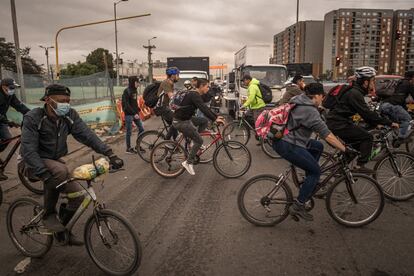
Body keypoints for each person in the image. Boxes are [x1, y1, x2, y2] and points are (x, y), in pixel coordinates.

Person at [19, 84, 124, 245]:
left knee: (78, 197)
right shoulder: (34, 118)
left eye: (68, 101)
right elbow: (28, 150)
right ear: (48, 100)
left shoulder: (68, 115)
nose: (66, 104)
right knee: (60, 170)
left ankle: (61, 232)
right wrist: (43, 173)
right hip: (31, 162)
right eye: (62, 101)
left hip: (53, 161)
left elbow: (87, 135)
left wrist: (110, 153)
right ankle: (48, 214)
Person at [273, 83, 349, 221]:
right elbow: (327, 135)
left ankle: (309, 182)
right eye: (322, 96)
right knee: (316, 171)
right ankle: (298, 205)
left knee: (317, 146)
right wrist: (344, 149)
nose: (323, 99)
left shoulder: (299, 100)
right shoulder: (310, 111)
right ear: (317, 96)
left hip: (286, 139)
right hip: (289, 144)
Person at [326, 66, 399, 174]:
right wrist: (389, 122)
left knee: (354, 149)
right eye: (373, 81)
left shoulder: (354, 91)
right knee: (367, 138)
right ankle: (359, 166)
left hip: (338, 122)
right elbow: (367, 114)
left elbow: (365, 114)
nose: (374, 84)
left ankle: (338, 171)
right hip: (339, 124)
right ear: (365, 82)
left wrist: (376, 124)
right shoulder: (354, 93)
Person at [172, 78, 225, 175]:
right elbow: (203, 108)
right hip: (181, 122)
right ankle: (188, 162)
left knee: (204, 121)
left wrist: (216, 116)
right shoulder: (194, 95)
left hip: (186, 119)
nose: (208, 88)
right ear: (201, 86)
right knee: (199, 140)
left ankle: (193, 142)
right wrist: (215, 119)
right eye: (207, 86)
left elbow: (205, 107)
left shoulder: (195, 94)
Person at [0, 78, 30, 180]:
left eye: (14, 88)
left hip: (2, 120)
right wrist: (7, 122)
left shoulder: (10, 95)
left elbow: (19, 106)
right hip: (2, 119)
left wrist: (31, 114)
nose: (12, 90)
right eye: (11, 88)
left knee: (7, 138)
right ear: (3, 86)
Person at [379, 71, 414, 144]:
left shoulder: (399, 83)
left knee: (395, 122)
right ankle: (401, 138)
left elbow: (400, 98)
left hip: (384, 104)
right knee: (407, 119)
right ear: (412, 77)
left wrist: (406, 109)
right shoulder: (409, 84)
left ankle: (384, 135)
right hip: (392, 106)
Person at [155, 67, 180, 140]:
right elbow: (171, 96)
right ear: (173, 76)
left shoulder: (170, 83)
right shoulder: (166, 83)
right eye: (177, 75)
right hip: (162, 108)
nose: (178, 77)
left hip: (165, 107)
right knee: (177, 121)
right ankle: (167, 140)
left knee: (174, 126)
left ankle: (174, 145)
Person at [122, 76, 145, 154]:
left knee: (141, 129)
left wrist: (138, 108)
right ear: (133, 82)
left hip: (135, 113)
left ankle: (137, 146)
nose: (138, 84)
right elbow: (126, 105)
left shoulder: (135, 90)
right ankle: (128, 148)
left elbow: (133, 102)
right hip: (129, 114)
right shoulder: (127, 91)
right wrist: (134, 113)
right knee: (129, 132)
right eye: (137, 82)